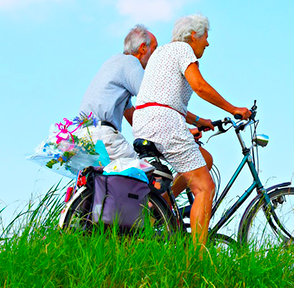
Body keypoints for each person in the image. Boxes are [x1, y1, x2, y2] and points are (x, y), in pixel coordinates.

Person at [132, 14, 251, 247]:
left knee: (204, 159)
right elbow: (199, 86)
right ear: (193, 35)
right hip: (164, 122)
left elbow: (162, 98)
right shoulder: (183, 49)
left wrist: (197, 121)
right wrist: (233, 109)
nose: (207, 43)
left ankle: (161, 206)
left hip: (146, 121)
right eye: (206, 37)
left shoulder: (161, 53)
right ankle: (196, 260)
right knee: (204, 187)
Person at [79, 25, 158, 160]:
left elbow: (131, 115)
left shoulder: (114, 62)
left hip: (83, 135)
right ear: (143, 48)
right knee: (144, 173)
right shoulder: (131, 62)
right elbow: (154, 100)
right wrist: (183, 129)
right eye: (155, 49)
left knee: (105, 179)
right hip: (102, 135)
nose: (156, 55)